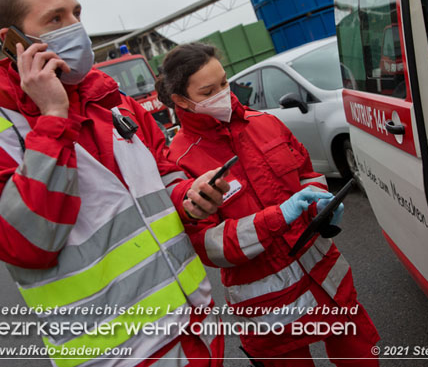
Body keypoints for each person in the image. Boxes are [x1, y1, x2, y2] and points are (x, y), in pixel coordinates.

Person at [0, 0, 230, 367]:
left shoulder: (113, 102)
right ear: (13, 42)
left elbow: (163, 172)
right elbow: (27, 244)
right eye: (56, 18)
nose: (76, 27)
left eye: (76, 13)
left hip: (198, 327)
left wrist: (189, 195)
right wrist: (53, 116)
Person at [156, 43, 380, 367]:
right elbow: (208, 245)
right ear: (180, 101)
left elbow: (307, 173)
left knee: (362, 357)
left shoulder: (264, 122)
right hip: (269, 310)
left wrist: (319, 203)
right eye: (208, 91)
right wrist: (277, 217)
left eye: (223, 82)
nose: (222, 93)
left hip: (326, 280)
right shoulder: (180, 161)